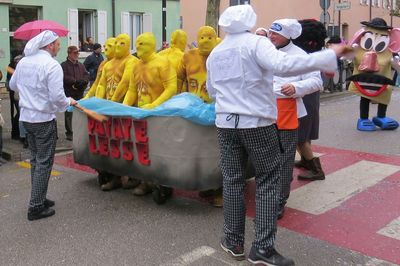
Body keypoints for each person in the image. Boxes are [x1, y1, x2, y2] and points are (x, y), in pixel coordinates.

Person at [206, 5, 347, 265]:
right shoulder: (256, 44)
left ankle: (233, 240)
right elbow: (282, 65)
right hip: (257, 122)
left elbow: (212, 91)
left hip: (225, 122)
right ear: (250, 21)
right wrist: (327, 56)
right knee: (269, 180)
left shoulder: (216, 52)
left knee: (233, 180)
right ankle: (263, 247)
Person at [9, 30, 77, 221]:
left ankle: (38, 197)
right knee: (44, 162)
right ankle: (36, 206)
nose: (59, 46)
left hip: (26, 118)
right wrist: (68, 102)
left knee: (35, 160)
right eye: (57, 43)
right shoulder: (52, 65)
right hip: (43, 119)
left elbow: (13, 86)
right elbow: (57, 97)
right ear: (49, 45)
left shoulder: (24, 62)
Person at [268, 19, 323, 219]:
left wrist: (296, 88)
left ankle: (280, 200)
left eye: (276, 33)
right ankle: (267, 195)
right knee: (266, 159)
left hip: (287, 113)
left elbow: (316, 81)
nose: (271, 36)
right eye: (270, 32)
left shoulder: (301, 57)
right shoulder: (264, 50)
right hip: (262, 113)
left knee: (284, 160)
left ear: (288, 35)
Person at [123, 32, 177, 196]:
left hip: (159, 115)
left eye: (143, 43)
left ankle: (164, 186)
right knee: (142, 149)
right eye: (137, 43)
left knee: (160, 151)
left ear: (152, 46)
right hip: (140, 114)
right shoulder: (136, 66)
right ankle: (145, 181)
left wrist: (154, 105)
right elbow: (132, 90)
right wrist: (125, 107)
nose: (138, 47)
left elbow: (171, 88)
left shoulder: (163, 63)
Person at [293, 19, 329, 181]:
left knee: (300, 136)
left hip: (305, 98)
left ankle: (316, 169)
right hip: (309, 97)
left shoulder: (306, 56)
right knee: (303, 134)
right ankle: (305, 161)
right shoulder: (314, 53)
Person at [177, 26, 217, 102]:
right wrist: (178, 97)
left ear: (215, 40)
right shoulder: (188, 56)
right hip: (192, 104)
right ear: (198, 40)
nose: (205, 41)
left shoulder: (221, 57)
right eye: (202, 38)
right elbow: (179, 78)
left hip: (214, 105)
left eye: (209, 38)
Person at [61, 46, 89, 141]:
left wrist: (83, 82)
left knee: (79, 112)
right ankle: (69, 132)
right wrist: (75, 81)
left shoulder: (80, 65)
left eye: (78, 53)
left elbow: (86, 75)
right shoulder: (64, 65)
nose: (77, 54)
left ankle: (78, 131)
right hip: (69, 92)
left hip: (79, 92)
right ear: (69, 54)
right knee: (69, 112)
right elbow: (64, 77)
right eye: (75, 53)